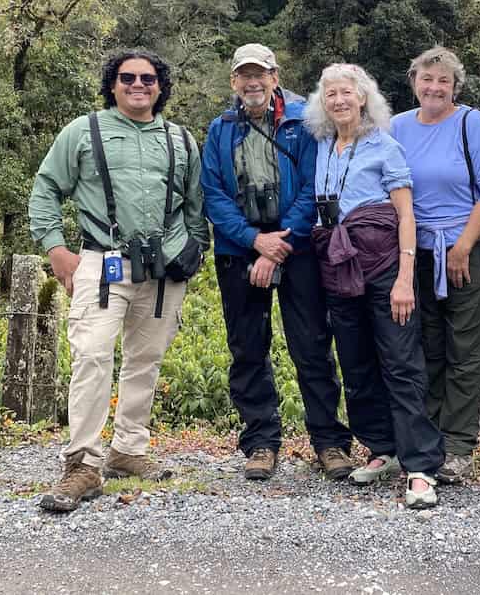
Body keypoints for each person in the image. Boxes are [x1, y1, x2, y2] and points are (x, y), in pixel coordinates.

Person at [28, 49, 208, 512]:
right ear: (112, 83)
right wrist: (56, 249)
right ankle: (83, 463)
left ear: (160, 86)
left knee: (145, 359)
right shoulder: (83, 132)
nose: (138, 85)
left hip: (164, 268)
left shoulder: (181, 139)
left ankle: (128, 450)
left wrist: (192, 248)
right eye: (127, 77)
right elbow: (46, 187)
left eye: (148, 78)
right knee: (90, 356)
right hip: (101, 261)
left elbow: (195, 204)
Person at [201, 44, 353, 482]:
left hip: (297, 245)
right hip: (238, 247)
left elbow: (313, 183)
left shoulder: (304, 121)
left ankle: (329, 441)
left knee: (311, 344)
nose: (252, 82)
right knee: (248, 348)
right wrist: (254, 241)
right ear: (233, 81)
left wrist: (279, 243)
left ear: (275, 76)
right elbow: (213, 194)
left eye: (260, 74)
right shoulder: (220, 129)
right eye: (244, 75)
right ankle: (261, 442)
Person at [305, 63, 445, 509]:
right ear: (322, 104)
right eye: (331, 95)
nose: (340, 101)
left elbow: (406, 215)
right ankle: (381, 447)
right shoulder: (323, 146)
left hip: (384, 265)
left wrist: (405, 278)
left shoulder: (385, 146)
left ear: (363, 97)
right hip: (338, 266)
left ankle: (420, 466)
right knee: (356, 360)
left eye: (347, 92)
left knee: (401, 363)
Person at [391, 47, 480, 484]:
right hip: (414, 252)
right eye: (427, 79)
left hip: (463, 249)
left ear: (455, 87)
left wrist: (462, 246)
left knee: (465, 349)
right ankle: (429, 438)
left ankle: (459, 443)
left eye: (443, 81)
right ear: (414, 81)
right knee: (427, 347)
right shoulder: (398, 126)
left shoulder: (470, 122)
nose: (434, 87)